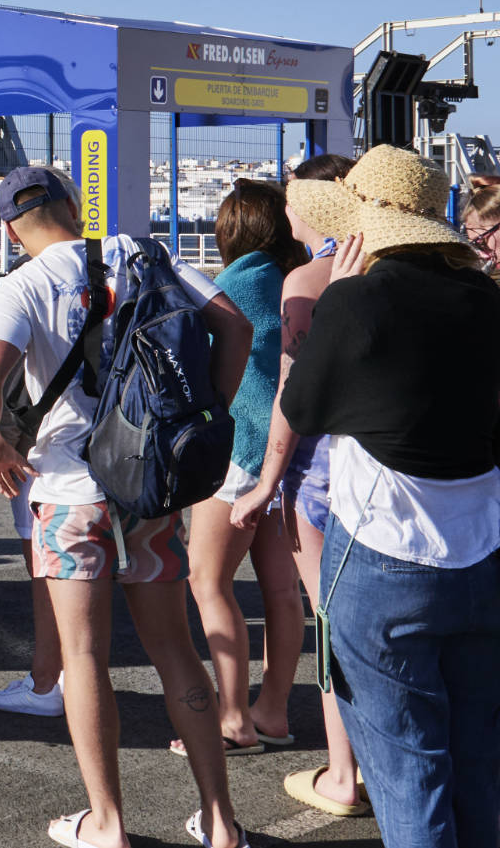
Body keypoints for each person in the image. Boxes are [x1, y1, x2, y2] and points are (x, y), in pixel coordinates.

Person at [0, 166, 253, 848]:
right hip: (148, 488)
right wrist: (208, 408)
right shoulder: (141, 251)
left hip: (70, 492)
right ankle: (219, 820)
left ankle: (108, 822)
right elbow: (233, 328)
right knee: (175, 647)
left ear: (9, 228)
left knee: (83, 654)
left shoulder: (22, 284)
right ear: (70, 204)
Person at [278, 146, 500, 848]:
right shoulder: (486, 297)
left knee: (409, 771)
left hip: (385, 550)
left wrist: (339, 297)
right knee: (476, 761)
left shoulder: (358, 298)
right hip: (482, 544)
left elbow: (303, 405)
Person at [227, 154, 366, 818]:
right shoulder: (394, 265)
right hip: (387, 467)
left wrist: (265, 483)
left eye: (292, 199)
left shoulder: (307, 279)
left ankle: (344, 771)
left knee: (334, 623)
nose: (287, 212)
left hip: (320, 475)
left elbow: (292, 393)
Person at [178, 180, 304, 759]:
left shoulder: (235, 283)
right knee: (282, 591)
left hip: (238, 452)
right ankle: (271, 710)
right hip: (286, 454)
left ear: (233, 229)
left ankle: (231, 719)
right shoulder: (293, 279)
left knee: (208, 581)